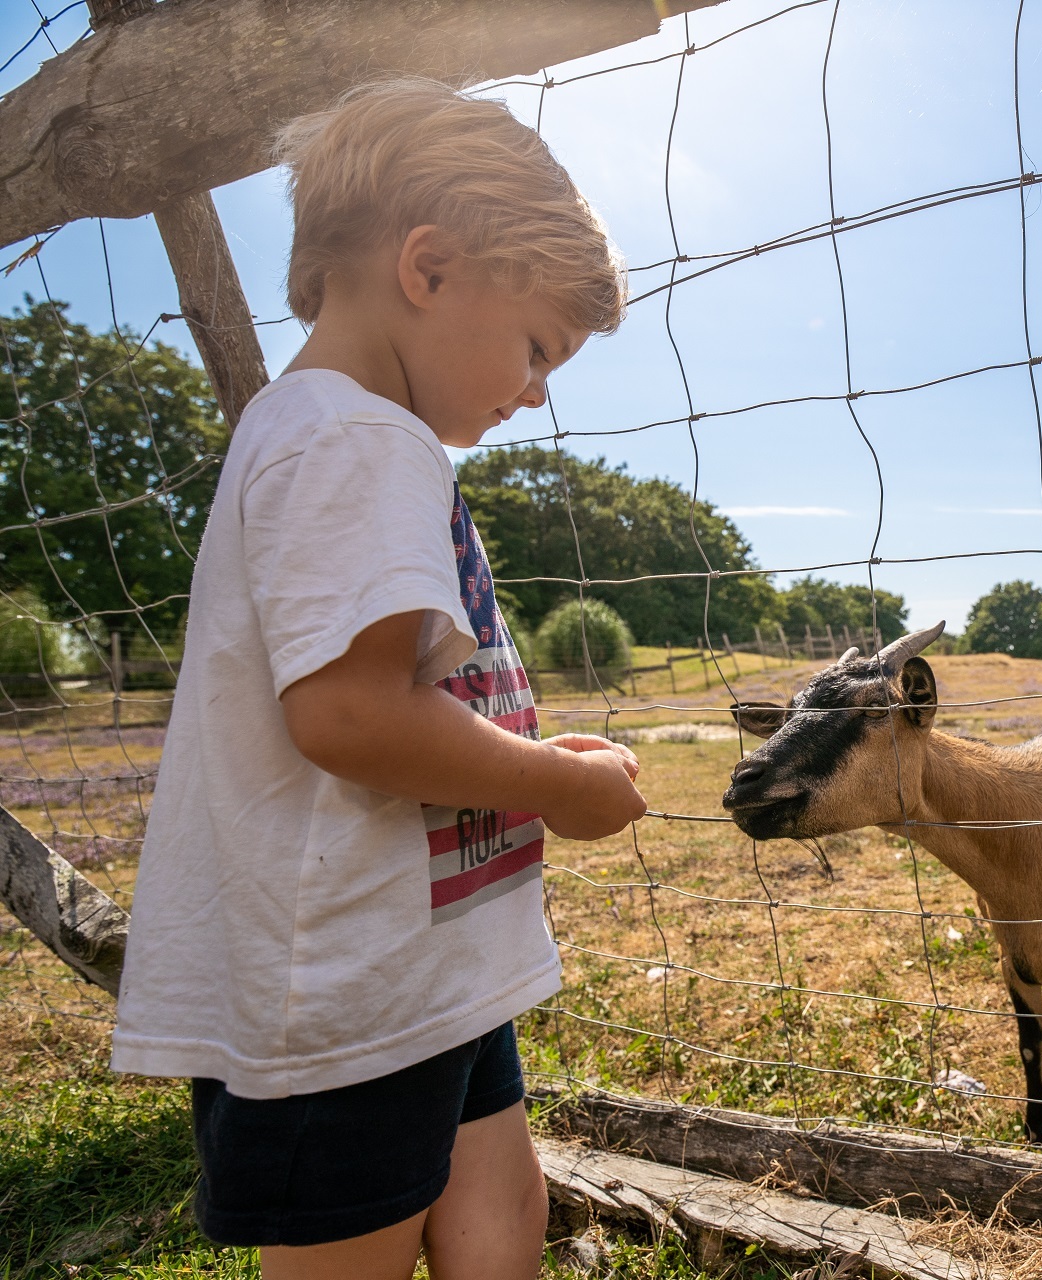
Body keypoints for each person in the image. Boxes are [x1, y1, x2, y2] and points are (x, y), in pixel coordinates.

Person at [110, 79, 649, 1280]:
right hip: (348, 995)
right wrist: (550, 787)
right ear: (430, 267)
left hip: (424, 957)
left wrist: (525, 772)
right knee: (351, 1247)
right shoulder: (351, 438)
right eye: (537, 346)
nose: (537, 390)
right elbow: (348, 714)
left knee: (498, 1196)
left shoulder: (342, 434)